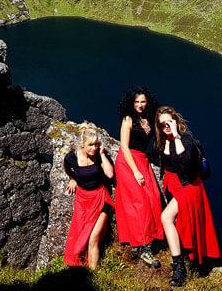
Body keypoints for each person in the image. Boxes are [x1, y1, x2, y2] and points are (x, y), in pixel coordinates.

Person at [155, 106, 220, 287]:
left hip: (189, 187)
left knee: (166, 218)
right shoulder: (160, 142)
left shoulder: (186, 140)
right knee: (178, 222)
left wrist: (176, 135)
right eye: (162, 124)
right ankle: (186, 257)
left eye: (168, 122)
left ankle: (179, 269)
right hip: (172, 185)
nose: (165, 126)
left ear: (175, 121)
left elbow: (184, 160)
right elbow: (159, 160)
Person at [114, 87, 163, 268]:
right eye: (137, 102)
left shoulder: (149, 119)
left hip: (143, 160)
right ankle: (143, 246)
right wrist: (135, 171)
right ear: (131, 103)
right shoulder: (128, 120)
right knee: (140, 203)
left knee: (155, 198)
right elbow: (124, 147)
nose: (140, 105)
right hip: (128, 163)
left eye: (143, 101)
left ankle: (146, 240)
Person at [63, 123, 115, 269]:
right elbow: (66, 166)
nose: (94, 148)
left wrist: (103, 154)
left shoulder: (98, 156)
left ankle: (93, 274)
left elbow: (110, 174)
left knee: (93, 239)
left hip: (101, 199)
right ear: (82, 145)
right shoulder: (72, 158)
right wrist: (72, 179)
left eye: (96, 144)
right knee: (80, 235)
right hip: (83, 200)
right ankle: (84, 270)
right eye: (90, 145)